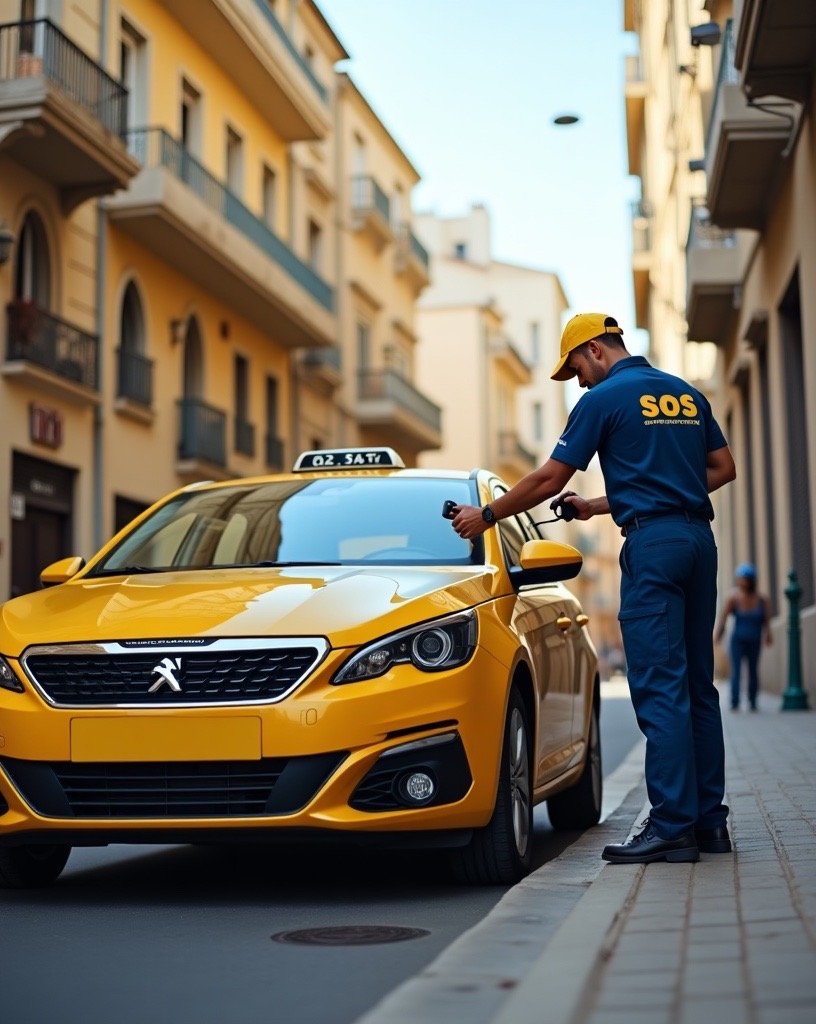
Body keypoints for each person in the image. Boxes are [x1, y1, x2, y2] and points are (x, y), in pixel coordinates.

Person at [451, 313, 737, 865]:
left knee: (661, 688)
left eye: (576, 368)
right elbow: (722, 468)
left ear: (596, 350)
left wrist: (486, 515)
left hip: (654, 548)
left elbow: (548, 478)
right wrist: (603, 505)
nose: (577, 381)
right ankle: (710, 825)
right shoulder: (682, 393)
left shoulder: (604, 399)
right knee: (699, 687)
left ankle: (672, 825)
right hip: (697, 542)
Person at [715, 563, 772, 712]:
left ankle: (753, 701)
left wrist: (768, 635)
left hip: (754, 641)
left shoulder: (761, 599)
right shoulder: (733, 598)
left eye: (745, 579)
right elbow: (723, 619)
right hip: (737, 641)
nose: (742, 582)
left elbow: (766, 620)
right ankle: (735, 702)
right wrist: (717, 638)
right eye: (740, 579)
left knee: (753, 671)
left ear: (752, 580)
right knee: (737, 671)